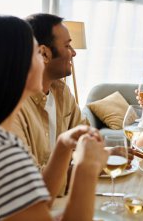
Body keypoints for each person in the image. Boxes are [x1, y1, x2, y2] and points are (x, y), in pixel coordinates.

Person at [0, 15, 108, 221]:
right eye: (36, 52)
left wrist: (62, 146)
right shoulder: (2, 155)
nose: (42, 57)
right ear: (15, 67)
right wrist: (86, 169)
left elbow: (37, 207)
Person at [12, 13, 89, 170]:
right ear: (44, 54)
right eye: (67, 46)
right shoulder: (15, 107)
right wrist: (87, 166)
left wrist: (106, 156)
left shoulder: (62, 92)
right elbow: (32, 179)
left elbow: (86, 139)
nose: (73, 53)